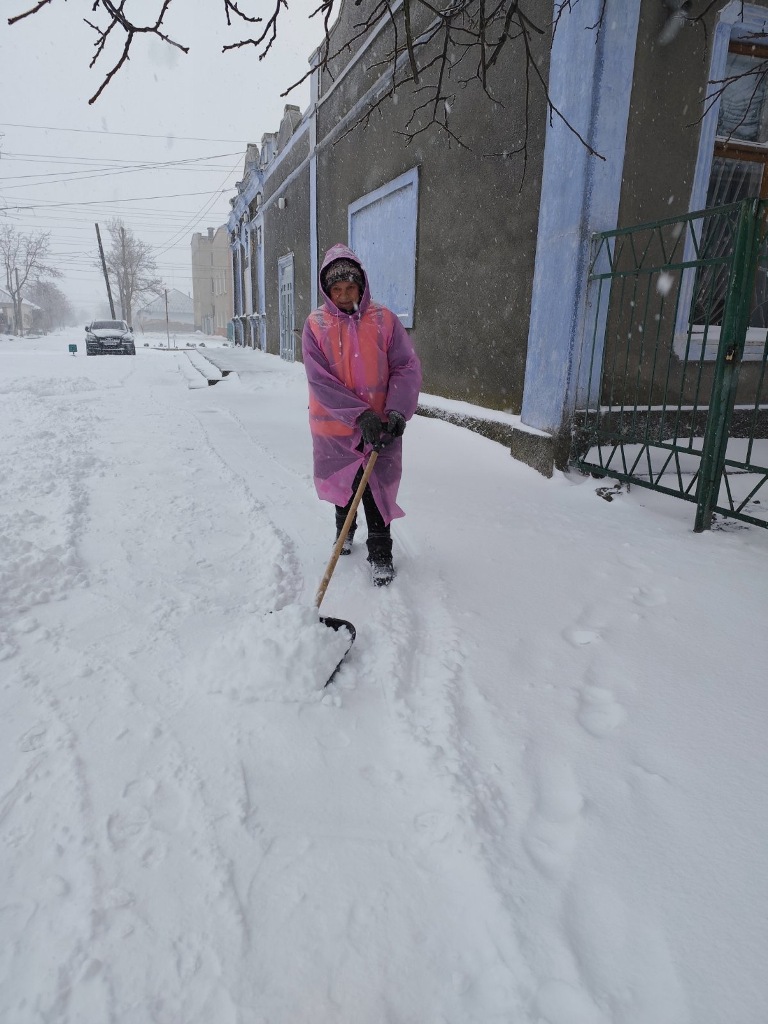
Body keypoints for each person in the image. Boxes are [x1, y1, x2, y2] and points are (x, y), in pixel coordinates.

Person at [302, 243, 422, 586]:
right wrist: (358, 415)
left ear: (361, 286)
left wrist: (397, 409)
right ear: (327, 290)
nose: (343, 295)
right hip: (334, 427)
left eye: (349, 288)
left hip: (381, 424)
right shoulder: (316, 325)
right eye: (336, 289)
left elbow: (405, 366)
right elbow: (319, 380)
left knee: (377, 489)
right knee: (346, 486)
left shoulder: (383, 320)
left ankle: (381, 553)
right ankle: (344, 529)